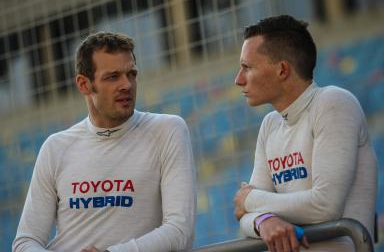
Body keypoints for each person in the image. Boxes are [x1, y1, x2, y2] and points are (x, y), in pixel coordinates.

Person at [13, 32, 196, 252]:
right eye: (113, 77)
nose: (126, 85)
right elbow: (25, 243)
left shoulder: (167, 131)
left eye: (131, 74)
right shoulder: (55, 148)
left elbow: (180, 231)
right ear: (84, 84)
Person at [232, 15, 377, 251]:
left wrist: (251, 200)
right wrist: (262, 220)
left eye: (247, 67)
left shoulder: (333, 102)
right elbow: (244, 218)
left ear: (282, 70)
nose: (238, 80)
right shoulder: (270, 125)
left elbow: (324, 206)